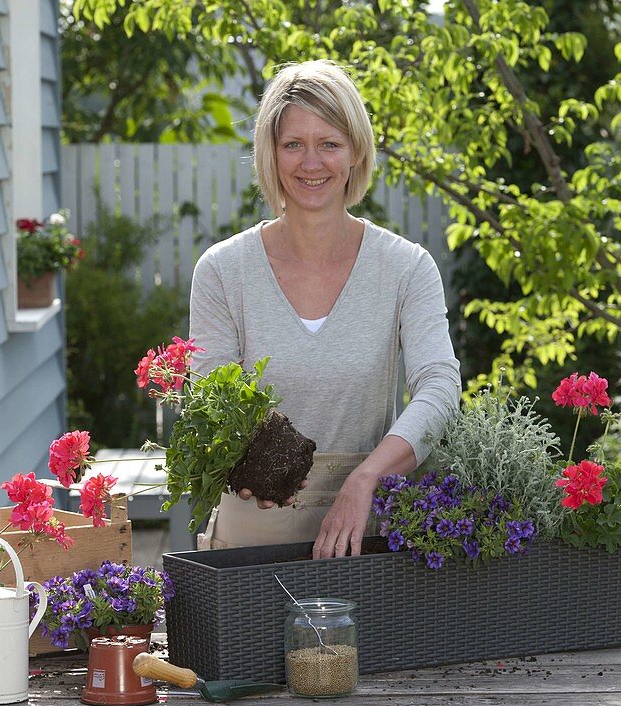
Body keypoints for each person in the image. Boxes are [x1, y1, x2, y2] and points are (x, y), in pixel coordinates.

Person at [189, 60, 461, 559]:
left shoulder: (405, 268)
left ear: (355, 150)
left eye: (329, 144)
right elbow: (212, 402)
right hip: (255, 526)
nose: (310, 163)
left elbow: (440, 386)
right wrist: (248, 456)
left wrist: (366, 478)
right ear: (271, 153)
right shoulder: (223, 271)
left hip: (367, 529)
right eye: (293, 144)